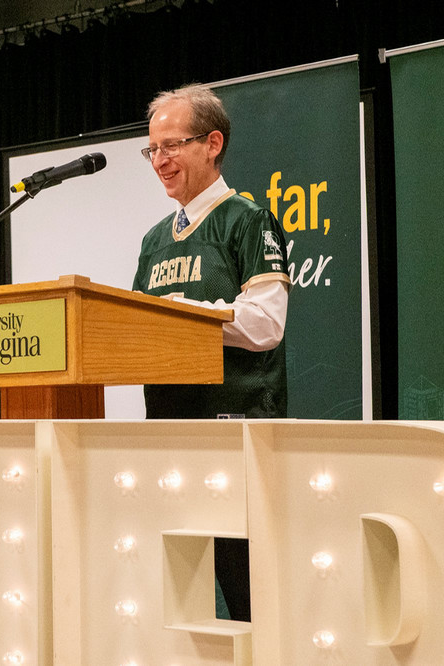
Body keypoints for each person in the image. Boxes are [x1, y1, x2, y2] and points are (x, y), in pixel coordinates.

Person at [133, 83, 291, 622]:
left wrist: (191, 316)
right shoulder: (154, 239)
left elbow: (267, 323)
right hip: (170, 433)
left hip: (234, 430)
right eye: (152, 149)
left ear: (213, 143)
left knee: (248, 593)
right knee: (180, 599)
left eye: (172, 145)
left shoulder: (247, 220)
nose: (160, 160)